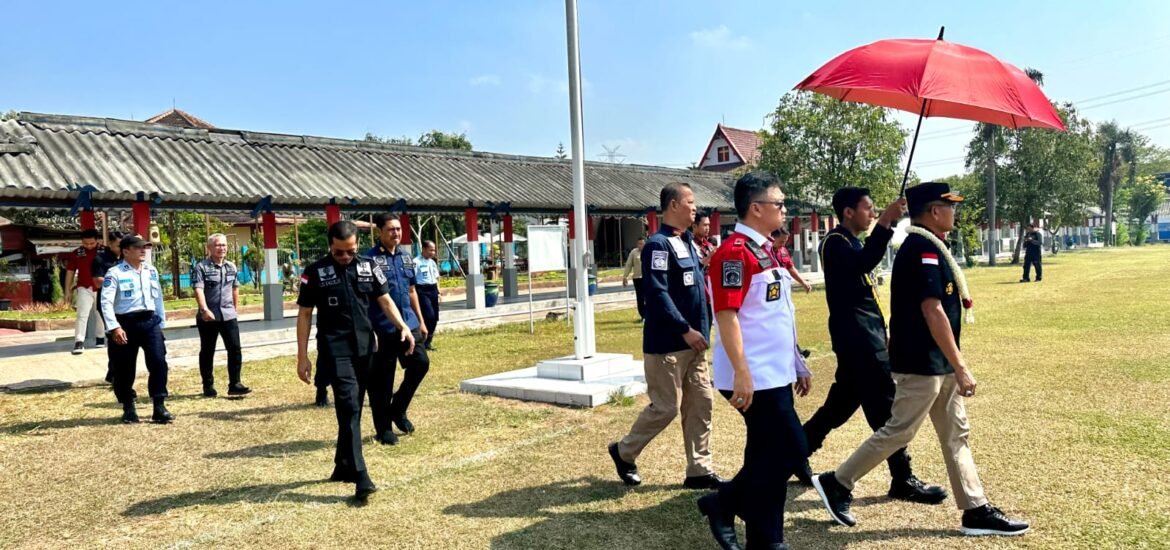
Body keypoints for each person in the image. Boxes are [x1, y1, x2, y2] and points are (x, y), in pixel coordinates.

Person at [812, 182, 1029, 537]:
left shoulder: (931, 246)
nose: (954, 212)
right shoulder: (920, 249)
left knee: (956, 434)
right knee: (898, 431)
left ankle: (975, 509)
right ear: (933, 211)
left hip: (936, 362)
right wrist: (960, 365)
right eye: (949, 206)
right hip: (922, 363)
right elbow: (933, 311)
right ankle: (838, 482)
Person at [796, 187, 946, 503]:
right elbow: (862, 264)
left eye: (876, 210)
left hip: (865, 336)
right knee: (887, 409)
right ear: (848, 212)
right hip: (858, 341)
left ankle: (794, 453)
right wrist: (887, 223)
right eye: (869, 209)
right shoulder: (835, 243)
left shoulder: (851, 242)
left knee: (837, 408)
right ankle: (902, 478)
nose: (873, 213)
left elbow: (865, 286)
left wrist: (882, 330)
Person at [697, 171, 811, 550]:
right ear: (756, 208)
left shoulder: (767, 249)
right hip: (752, 375)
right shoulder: (734, 253)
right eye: (779, 203)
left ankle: (766, 540)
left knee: (765, 452)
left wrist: (796, 362)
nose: (783, 209)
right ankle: (722, 502)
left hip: (774, 372)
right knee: (792, 448)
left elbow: (776, 315)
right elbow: (726, 316)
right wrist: (743, 372)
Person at [608, 182, 725, 491]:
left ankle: (699, 470)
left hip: (696, 344)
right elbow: (656, 294)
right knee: (666, 407)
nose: (694, 207)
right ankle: (624, 452)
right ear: (673, 205)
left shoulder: (687, 242)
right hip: (669, 345)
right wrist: (684, 329)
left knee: (701, 405)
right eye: (690, 202)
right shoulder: (657, 245)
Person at [296, 220, 414, 500]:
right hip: (335, 350)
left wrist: (403, 326)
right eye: (339, 252)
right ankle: (361, 475)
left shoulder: (368, 267)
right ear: (330, 246)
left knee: (354, 409)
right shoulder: (314, 273)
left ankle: (342, 464)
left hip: (365, 348)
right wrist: (302, 357)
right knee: (349, 407)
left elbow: (385, 300)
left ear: (356, 246)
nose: (345, 257)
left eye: (350, 251)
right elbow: (304, 314)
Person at [366, 214, 431, 445]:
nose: (396, 233)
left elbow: (412, 291)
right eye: (391, 229)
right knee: (382, 380)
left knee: (421, 364)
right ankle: (383, 429)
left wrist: (421, 321)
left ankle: (398, 408)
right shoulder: (368, 260)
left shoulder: (405, 258)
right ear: (380, 232)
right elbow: (365, 297)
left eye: (399, 229)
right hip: (382, 327)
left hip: (409, 323)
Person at [100, 235, 173, 424]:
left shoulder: (151, 271)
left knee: (158, 362)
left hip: (150, 322)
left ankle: (159, 406)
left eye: (145, 247)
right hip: (125, 323)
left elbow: (158, 299)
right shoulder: (114, 273)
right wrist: (114, 327)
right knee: (124, 368)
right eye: (138, 247)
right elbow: (105, 302)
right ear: (125, 251)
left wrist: (161, 325)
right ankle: (128, 407)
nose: (143, 251)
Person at [192, 233, 251, 398]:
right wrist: (203, 309)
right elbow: (198, 289)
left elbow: (235, 288)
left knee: (235, 349)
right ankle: (208, 385)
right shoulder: (201, 267)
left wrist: (235, 308)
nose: (221, 248)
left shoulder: (231, 267)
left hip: (228, 315)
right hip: (208, 316)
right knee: (207, 351)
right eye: (218, 245)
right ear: (209, 248)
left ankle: (235, 384)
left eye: (224, 245)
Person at [66, 228, 107, 354]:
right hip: (84, 287)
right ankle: (79, 341)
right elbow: (70, 272)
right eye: (86, 243)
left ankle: (100, 338)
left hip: (102, 287)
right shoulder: (76, 253)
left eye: (92, 243)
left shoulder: (105, 251)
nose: (89, 246)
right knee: (82, 314)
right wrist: (67, 290)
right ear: (81, 241)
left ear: (97, 241)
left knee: (100, 313)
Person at [92, 231, 124, 388]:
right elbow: (98, 282)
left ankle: (113, 373)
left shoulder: (126, 258)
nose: (122, 248)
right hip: (107, 304)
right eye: (119, 245)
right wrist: (119, 280)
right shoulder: (100, 259)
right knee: (114, 337)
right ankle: (115, 373)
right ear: (110, 243)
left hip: (125, 304)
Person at [414, 239, 441, 351]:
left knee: (435, 318)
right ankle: (422, 341)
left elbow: (436, 278)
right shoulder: (416, 262)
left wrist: (439, 292)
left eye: (434, 250)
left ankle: (428, 342)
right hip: (422, 290)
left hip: (433, 289)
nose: (433, 252)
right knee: (428, 316)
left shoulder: (432, 262)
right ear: (423, 249)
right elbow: (412, 279)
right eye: (431, 250)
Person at [769, 227, 812, 293]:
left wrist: (803, 282)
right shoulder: (763, 251)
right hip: (770, 287)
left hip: (784, 287)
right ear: (772, 238)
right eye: (781, 242)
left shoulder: (783, 250)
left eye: (785, 242)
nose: (783, 244)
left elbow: (790, 268)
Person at [622, 237, 646, 322]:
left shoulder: (649, 251)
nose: (641, 245)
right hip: (637, 278)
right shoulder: (634, 252)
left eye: (642, 243)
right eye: (639, 243)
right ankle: (643, 315)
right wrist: (625, 276)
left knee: (648, 297)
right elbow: (629, 264)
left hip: (647, 278)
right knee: (640, 298)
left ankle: (649, 315)